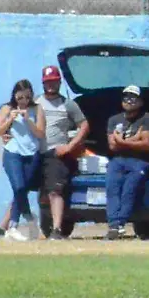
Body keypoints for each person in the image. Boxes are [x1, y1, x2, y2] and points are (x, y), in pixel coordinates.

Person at [0, 79, 45, 241]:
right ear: (14, 96)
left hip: (31, 154)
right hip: (13, 152)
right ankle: (15, 225)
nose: (24, 101)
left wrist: (28, 120)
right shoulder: (6, 108)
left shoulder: (37, 109)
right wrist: (10, 119)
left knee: (23, 189)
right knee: (18, 186)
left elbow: (40, 133)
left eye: (27, 97)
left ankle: (25, 220)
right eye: (20, 98)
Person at [36, 66, 89, 240]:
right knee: (21, 187)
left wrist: (70, 146)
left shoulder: (68, 104)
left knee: (55, 191)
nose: (51, 85)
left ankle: (57, 229)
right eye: (47, 82)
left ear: (59, 82)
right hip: (36, 153)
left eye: (54, 81)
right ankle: (9, 226)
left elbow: (84, 126)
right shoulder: (36, 103)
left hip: (56, 154)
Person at [103, 85, 149, 241]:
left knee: (129, 190)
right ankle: (113, 225)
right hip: (117, 160)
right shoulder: (114, 120)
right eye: (126, 97)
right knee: (112, 189)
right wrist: (134, 139)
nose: (129, 100)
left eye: (133, 97)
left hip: (139, 161)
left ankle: (119, 224)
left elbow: (146, 144)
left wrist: (122, 141)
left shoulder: (147, 119)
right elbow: (112, 146)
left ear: (140, 101)